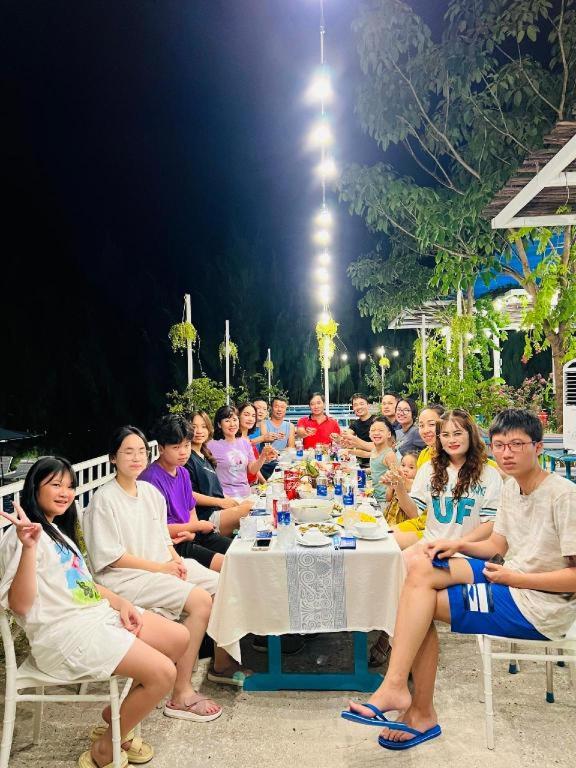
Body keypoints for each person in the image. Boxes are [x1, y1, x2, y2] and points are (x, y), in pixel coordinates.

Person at [342, 408, 576, 750]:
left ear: (538, 447)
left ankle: (415, 705)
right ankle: (401, 691)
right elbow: (496, 546)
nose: (507, 453)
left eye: (516, 444)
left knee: (417, 605)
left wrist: (515, 578)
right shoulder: (512, 487)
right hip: (509, 579)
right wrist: (458, 545)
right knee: (419, 574)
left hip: (537, 606)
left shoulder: (563, 495)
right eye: (500, 445)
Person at [0, 457, 189, 768]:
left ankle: (117, 717)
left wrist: (121, 603)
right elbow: (20, 605)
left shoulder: (56, 531)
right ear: (34, 488)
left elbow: (83, 584)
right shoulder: (21, 538)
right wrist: (29, 548)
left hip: (94, 618)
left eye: (70, 486)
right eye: (56, 485)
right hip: (64, 637)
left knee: (178, 637)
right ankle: (106, 746)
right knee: (163, 673)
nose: (65, 493)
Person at [82, 426, 228, 717]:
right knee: (200, 600)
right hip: (126, 578)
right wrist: (162, 568)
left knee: (224, 583)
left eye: (140, 451)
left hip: (160, 567)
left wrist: (176, 562)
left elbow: (162, 538)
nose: (136, 457)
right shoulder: (104, 499)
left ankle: (220, 663)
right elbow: (113, 558)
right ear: (113, 457)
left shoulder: (150, 493)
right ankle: (181, 692)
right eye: (128, 452)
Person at [139, 415, 231, 573]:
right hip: (172, 544)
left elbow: (191, 510)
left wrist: (193, 531)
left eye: (187, 445)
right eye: (176, 447)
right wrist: (196, 527)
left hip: (191, 534)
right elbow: (157, 528)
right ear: (161, 448)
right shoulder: (150, 480)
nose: (183, 452)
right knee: (228, 565)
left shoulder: (183, 472)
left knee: (237, 551)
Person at [187, 411, 253, 537]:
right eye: (194, 427)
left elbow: (215, 489)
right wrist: (220, 502)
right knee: (250, 509)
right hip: (206, 516)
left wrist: (230, 501)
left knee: (254, 505)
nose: (199, 431)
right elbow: (188, 494)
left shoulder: (205, 455)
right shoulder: (187, 458)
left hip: (219, 508)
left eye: (204, 426)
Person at [207, 405, 276, 498]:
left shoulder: (245, 442)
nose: (232, 424)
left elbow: (252, 470)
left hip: (246, 494)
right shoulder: (210, 445)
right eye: (227, 421)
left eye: (235, 420)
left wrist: (263, 456)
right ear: (219, 424)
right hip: (225, 497)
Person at [367, 416, 398, 506]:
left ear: (389, 434)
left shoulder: (389, 455)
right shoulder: (374, 450)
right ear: (369, 434)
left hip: (384, 501)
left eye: (381, 430)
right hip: (373, 497)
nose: (376, 433)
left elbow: (396, 479)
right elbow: (376, 470)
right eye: (373, 430)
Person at [338, 393, 375, 467]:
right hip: (361, 463)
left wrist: (355, 441)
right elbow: (346, 436)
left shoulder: (377, 421)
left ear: (368, 405)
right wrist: (339, 438)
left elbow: (379, 447)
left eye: (361, 404)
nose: (359, 407)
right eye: (355, 405)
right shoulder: (355, 424)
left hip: (376, 462)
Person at [383, 451, 419, 526]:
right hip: (391, 516)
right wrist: (391, 487)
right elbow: (388, 498)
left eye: (411, 467)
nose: (405, 469)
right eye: (403, 465)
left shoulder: (415, 484)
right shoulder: (397, 479)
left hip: (405, 520)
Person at [237, 402, 267, 485]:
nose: (250, 419)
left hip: (254, 484)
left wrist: (263, 481)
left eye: (253, 416)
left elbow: (253, 465)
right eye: (246, 415)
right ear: (238, 416)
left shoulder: (247, 438)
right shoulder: (235, 441)